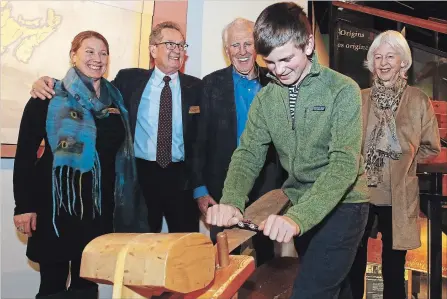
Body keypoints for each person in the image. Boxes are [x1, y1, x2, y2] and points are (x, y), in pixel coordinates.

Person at [205, 3, 369, 298]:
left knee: (310, 290)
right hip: (301, 201)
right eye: (269, 62)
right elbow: (248, 155)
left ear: (307, 45)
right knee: (334, 285)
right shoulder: (266, 99)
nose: (279, 71)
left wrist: (297, 219)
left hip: (345, 205)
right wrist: (231, 201)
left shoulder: (343, 90)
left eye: (286, 59)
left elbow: (343, 166)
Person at [30, 22, 203, 234]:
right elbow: (89, 91)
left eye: (181, 45)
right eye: (170, 44)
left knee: (186, 247)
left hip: (182, 180)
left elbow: (203, 139)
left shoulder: (197, 87)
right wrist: (49, 82)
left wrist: (201, 186)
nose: (177, 50)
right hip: (140, 178)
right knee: (139, 247)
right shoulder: (128, 80)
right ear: (152, 49)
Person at [13, 31, 143, 298]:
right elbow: (25, 156)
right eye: (89, 51)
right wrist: (24, 207)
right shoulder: (48, 95)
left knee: (87, 285)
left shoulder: (115, 100)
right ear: (74, 55)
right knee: (52, 286)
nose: (97, 58)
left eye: (103, 53)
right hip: (56, 208)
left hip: (98, 210)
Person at [346, 30, 440, 299]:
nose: (384, 62)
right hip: (359, 194)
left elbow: (430, 146)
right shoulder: (359, 98)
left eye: (390, 56)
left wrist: (405, 163)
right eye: (378, 57)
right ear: (371, 62)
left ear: (403, 63)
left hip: (398, 197)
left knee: (394, 269)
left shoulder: (418, 101)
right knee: (353, 265)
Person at [197, 18, 284, 266]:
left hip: (268, 185)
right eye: (236, 45)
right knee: (225, 259)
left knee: (268, 259)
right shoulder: (210, 85)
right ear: (227, 51)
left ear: (257, 46)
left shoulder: (277, 81)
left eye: (248, 43)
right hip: (222, 187)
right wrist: (200, 190)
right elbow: (198, 141)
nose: (243, 51)